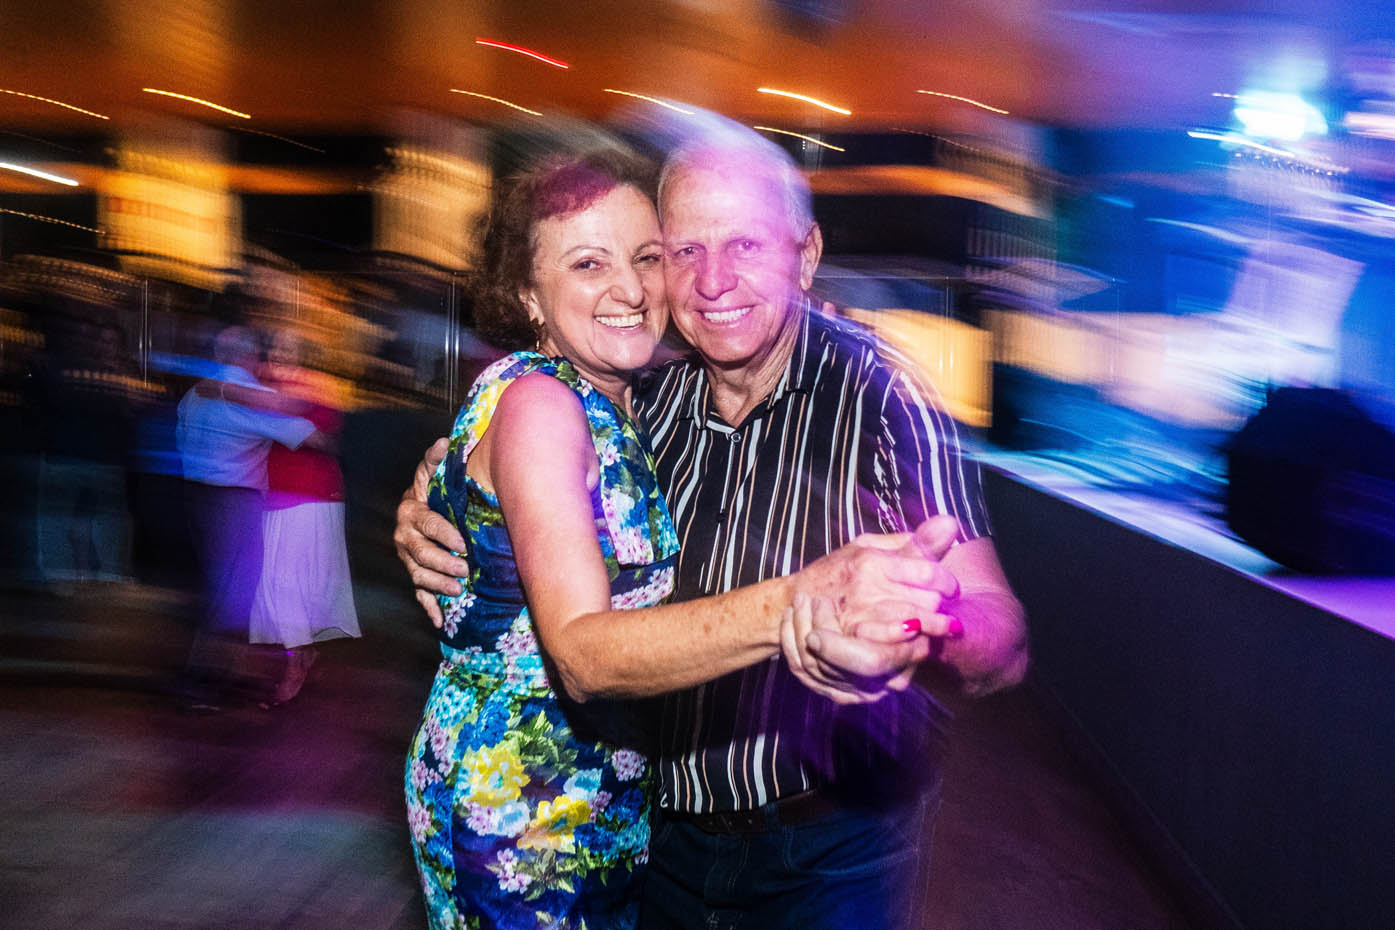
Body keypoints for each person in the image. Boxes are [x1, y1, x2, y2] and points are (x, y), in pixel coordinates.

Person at [398, 125, 1029, 930]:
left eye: (744, 246)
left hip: (824, 848)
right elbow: (524, 472)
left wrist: (921, 623)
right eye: (683, 251)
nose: (712, 281)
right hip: (655, 836)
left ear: (805, 255)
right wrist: (438, 498)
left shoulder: (883, 399)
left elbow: (1001, 637)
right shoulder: (646, 400)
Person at [176, 325, 331, 710]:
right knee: (231, 593)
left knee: (215, 586)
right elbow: (306, 434)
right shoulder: (244, 395)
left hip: (194, 496)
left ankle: (219, 674)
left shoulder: (195, 393)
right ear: (250, 357)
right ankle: (203, 683)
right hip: (232, 501)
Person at [243, 326, 361, 705]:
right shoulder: (265, 386)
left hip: (311, 496)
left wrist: (283, 423)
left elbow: (327, 438)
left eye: (289, 347)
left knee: (289, 585)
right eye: (275, 346)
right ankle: (302, 653)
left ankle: (295, 663)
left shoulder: (317, 387)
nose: (280, 353)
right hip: (276, 495)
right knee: (277, 584)